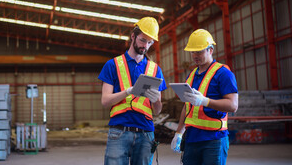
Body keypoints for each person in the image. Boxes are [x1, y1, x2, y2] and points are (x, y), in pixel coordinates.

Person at [98, 17, 167, 165]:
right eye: (142, 40)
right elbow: (105, 101)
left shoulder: (155, 69)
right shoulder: (112, 65)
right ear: (133, 36)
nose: (145, 46)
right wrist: (128, 91)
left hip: (146, 132)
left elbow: (157, 111)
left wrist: (156, 100)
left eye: (150, 42)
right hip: (119, 130)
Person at [171, 29, 238, 165]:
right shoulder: (191, 75)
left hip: (214, 140)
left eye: (199, 51)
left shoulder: (223, 73)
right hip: (191, 139)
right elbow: (187, 106)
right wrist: (179, 133)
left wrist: (204, 101)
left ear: (210, 50)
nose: (195, 55)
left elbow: (233, 105)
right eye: (193, 52)